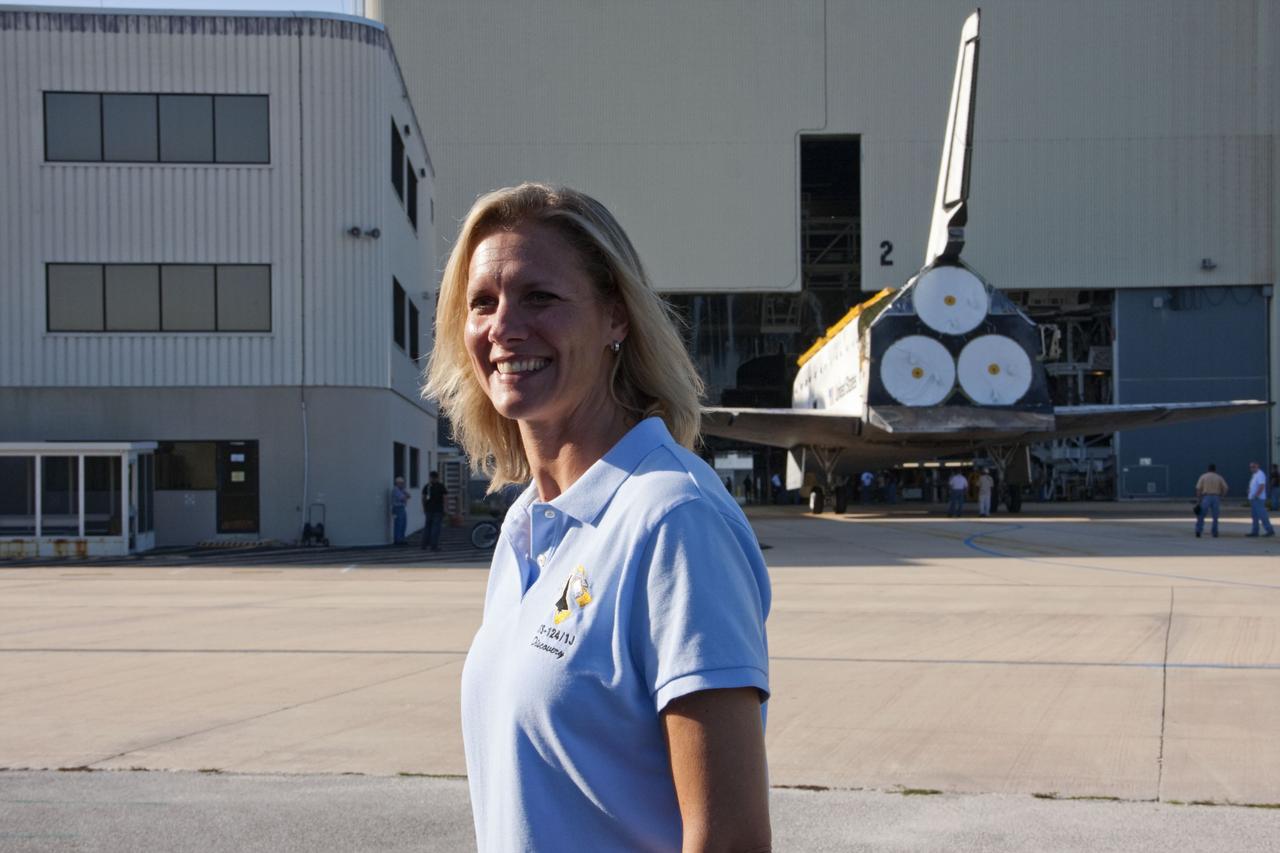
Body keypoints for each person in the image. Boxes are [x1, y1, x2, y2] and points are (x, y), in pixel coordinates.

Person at [424, 183, 771, 851]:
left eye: (540, 297)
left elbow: (730, 840)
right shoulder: (527, 527)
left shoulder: (673, 518)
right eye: (482, 303)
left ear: (616, 317)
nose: (503, 328)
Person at [1194, 463, 1228, 538]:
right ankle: (1214, 532)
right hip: (1216, 497)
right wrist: (1222, 496)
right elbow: (1225, 488)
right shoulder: (1219, 477)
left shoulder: (1203, 476)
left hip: (1206, 496)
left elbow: (1198, 489)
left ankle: (1198, 531)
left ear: (1208, 469)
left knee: (1201, 515)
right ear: (1215, 470)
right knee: (1215, 516)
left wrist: (1198, 500)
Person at [1246, 461, 1275, 537]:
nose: (1251, 468)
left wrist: (1256, 495)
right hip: (1253, 498)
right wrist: (1250, 490)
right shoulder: (1254, 475)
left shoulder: (1260, 474)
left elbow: (1261, 486)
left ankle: (1269, 530)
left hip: (1258, 499)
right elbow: (1254, 485)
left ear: (1257, 466)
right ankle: (1255, 531)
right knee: (1254, 516)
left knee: (1262, 515)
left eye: (1253, 467)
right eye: (1251, 467)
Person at [420, 471, 448, 551]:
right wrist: (446, 508)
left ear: (430, 477)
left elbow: (423, 498)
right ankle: (433, 546)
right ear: (437, 477)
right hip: (438, 510)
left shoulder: (427, 486)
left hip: (428, 509)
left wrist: (424, 507)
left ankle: (424, 545)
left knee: (427, 527)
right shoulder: (440, 486)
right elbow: (445, 498)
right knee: (435, 528)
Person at [389, 476, 409, 544]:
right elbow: (403, 498)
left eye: (403, 483)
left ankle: (401, 539)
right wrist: (405, 496)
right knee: (398, 524)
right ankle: (397, 540)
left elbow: (409, 496)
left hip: (402, 508)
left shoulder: (401, 490)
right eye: (401, 483)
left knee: (403, 524)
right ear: (397, 483)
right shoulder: (396, 490)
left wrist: (405, 496)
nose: (403, 484)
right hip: (397, 508)